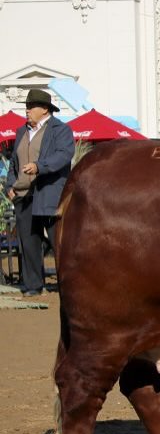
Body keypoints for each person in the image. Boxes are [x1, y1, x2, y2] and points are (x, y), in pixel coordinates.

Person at [2, 89, 74, 297]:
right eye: (27, 106)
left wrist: (39, 166)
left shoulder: (61, 130)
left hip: (50, 194)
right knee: (29, 242)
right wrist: (10, 187)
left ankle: (69, 286)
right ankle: (33, 286)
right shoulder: (21, 132)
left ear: (45, 109)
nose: (27, 110)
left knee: (58, 242)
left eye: (31, 106)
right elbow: (14, 163)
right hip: (23, 196)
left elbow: (63, 155)